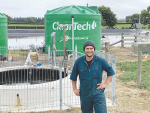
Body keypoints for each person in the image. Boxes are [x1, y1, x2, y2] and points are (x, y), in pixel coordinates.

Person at [70, 40, 115, 113]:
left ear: (94, 49)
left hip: (98, 93)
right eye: (87, 48)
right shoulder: (79, 61)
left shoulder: (100, 60)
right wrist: (74, 89)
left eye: (91, 48)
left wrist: (105, 83)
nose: (89, 50)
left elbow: (111, 71)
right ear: (84, 50)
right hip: (85, 94)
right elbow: (73, 76)